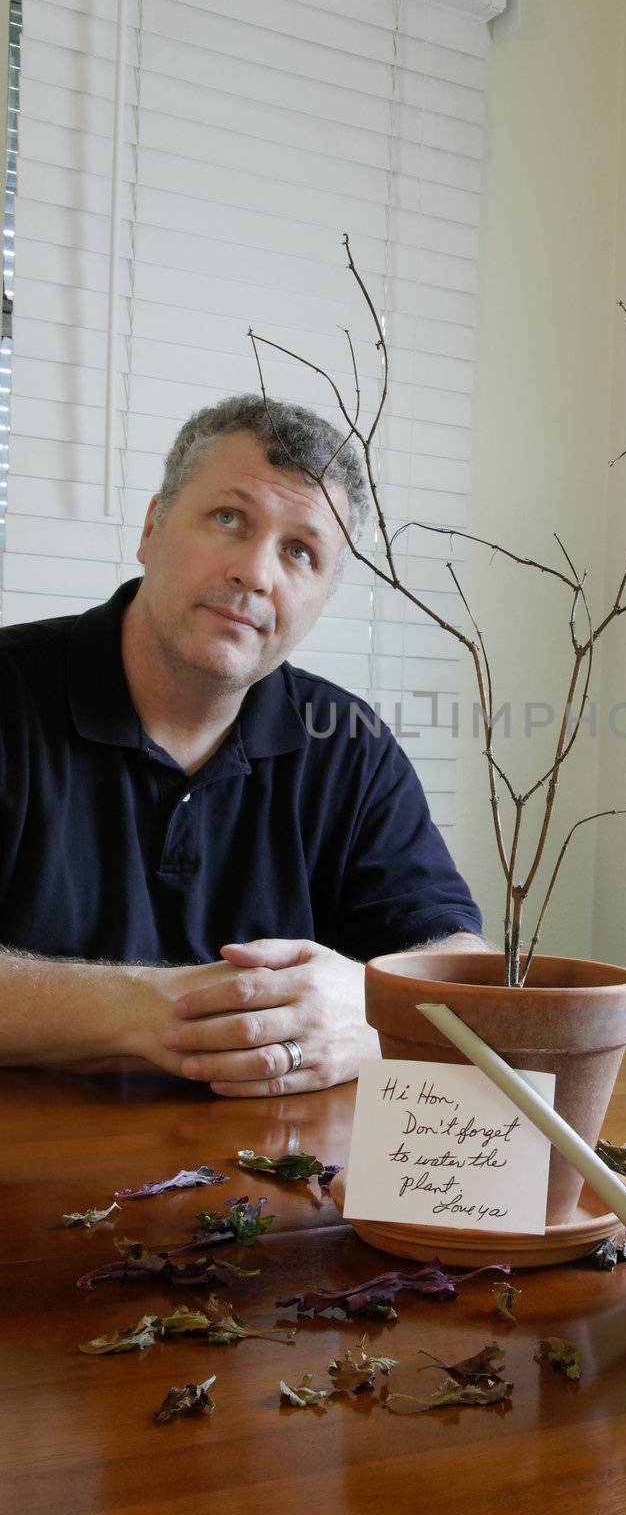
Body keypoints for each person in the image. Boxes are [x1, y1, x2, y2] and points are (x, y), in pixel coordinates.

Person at [0, 395, 487, 1094]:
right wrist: (156, 1009)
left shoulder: (348, 742)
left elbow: (455, 961)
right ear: (152, 525)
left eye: (300, 552)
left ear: (321, 596)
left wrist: (366, 1012)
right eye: (229, 519)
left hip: (275, 1181)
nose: (256, 573)